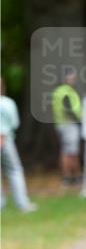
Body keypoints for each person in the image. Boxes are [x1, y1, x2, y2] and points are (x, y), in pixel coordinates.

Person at [0, 78, 37, 213]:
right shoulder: (8, 103)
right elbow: (15, 123)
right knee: (14, 170)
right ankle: (22, 203)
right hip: (6, 140)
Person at [52, 68, 82, 184]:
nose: (74, 80)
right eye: (72, 77)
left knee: (65, 150)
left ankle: (68, 176)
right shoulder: (66, 91)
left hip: (61, 124)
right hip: (69, 124)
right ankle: (74, 176)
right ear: (66, 78)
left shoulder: (58, 91)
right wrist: (79, 121)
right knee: (71, 151)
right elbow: (68, 109)